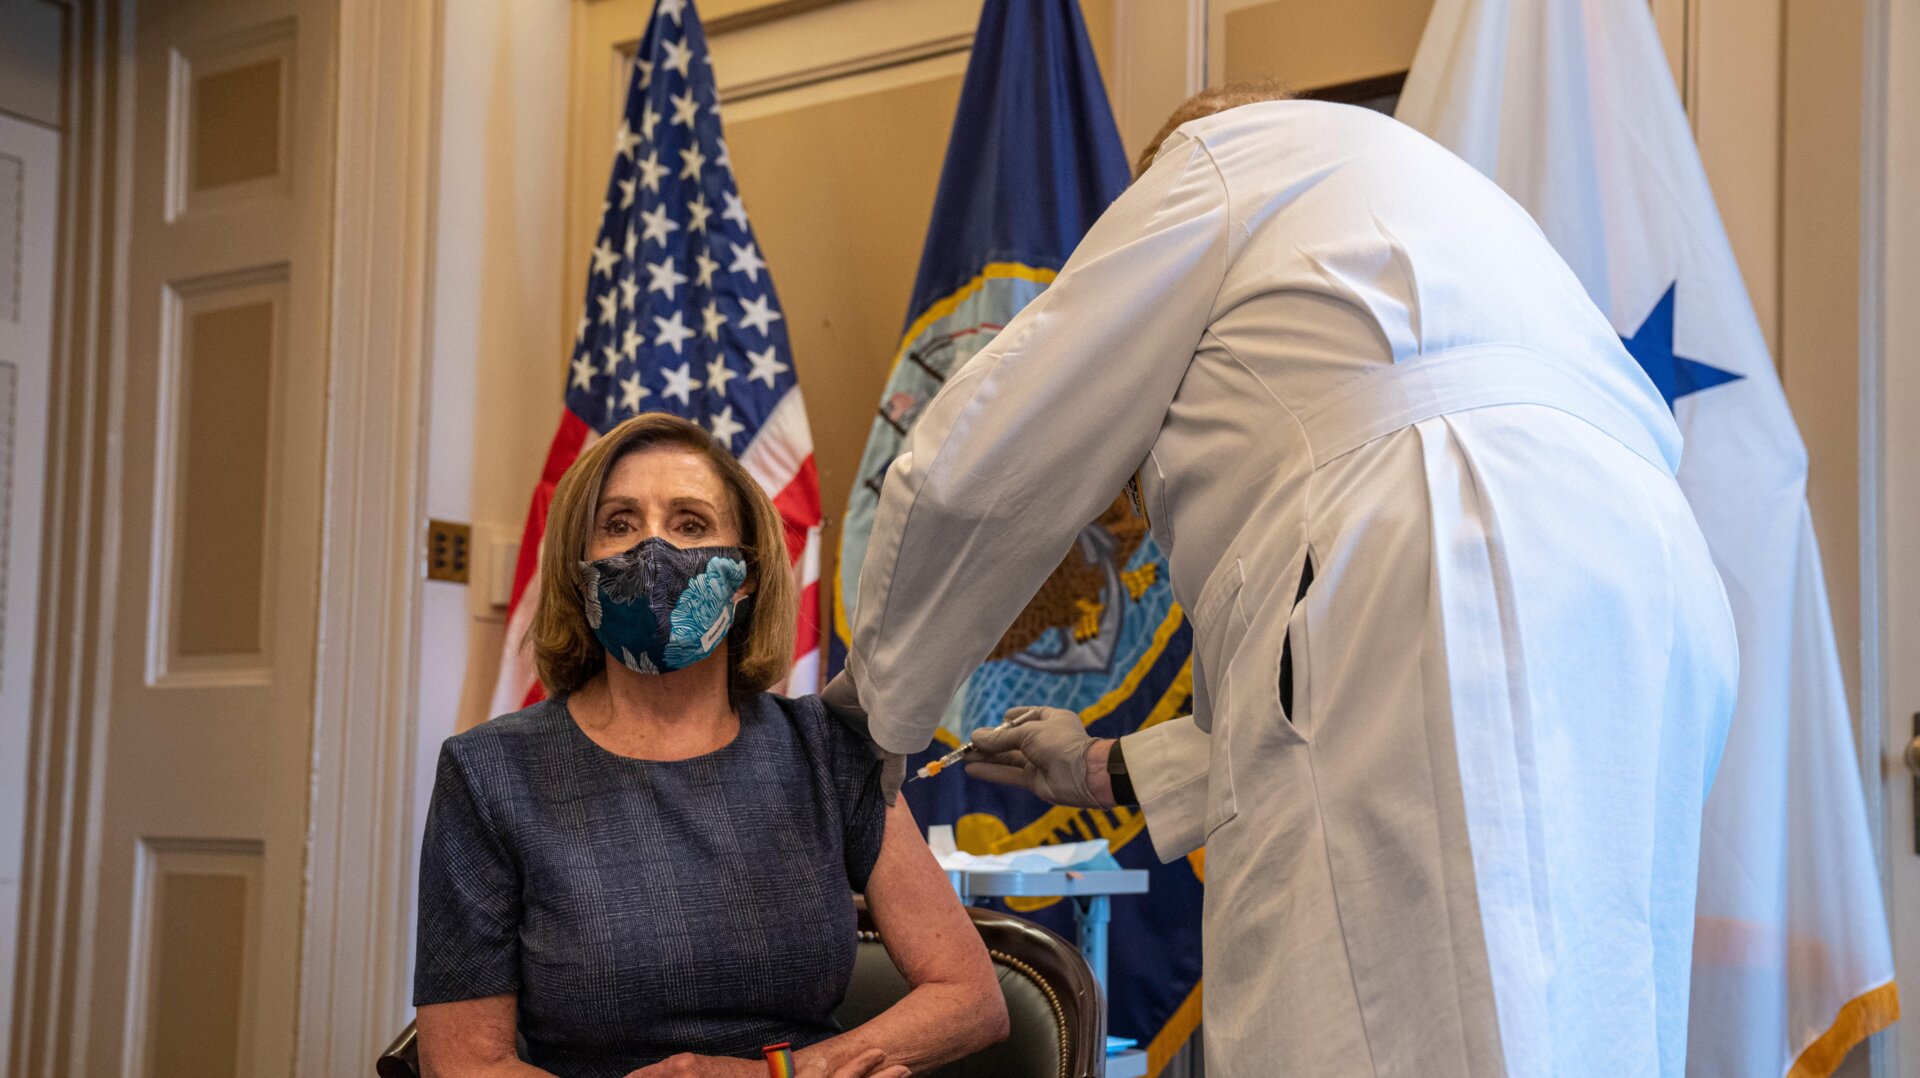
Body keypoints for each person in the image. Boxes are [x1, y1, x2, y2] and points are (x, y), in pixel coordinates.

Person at [826, 85, 1739, 1077]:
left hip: (1447, 552)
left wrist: (868, 716)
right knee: (1587, 1017)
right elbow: (1290, 728)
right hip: (1653, 591)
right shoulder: (1420, 208)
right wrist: (1095, 766)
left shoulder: (1217, 161)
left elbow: (979, 466)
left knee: (1362, 1020)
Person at [414, 413, 1007, 1078]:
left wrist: (772, 1077)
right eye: (619, 523)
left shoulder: (826, 748)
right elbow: (462, 1059)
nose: (653, 549)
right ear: (579, 572)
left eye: (691, 523)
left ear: (747, 574)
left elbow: (971, 998)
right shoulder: (489, 773)